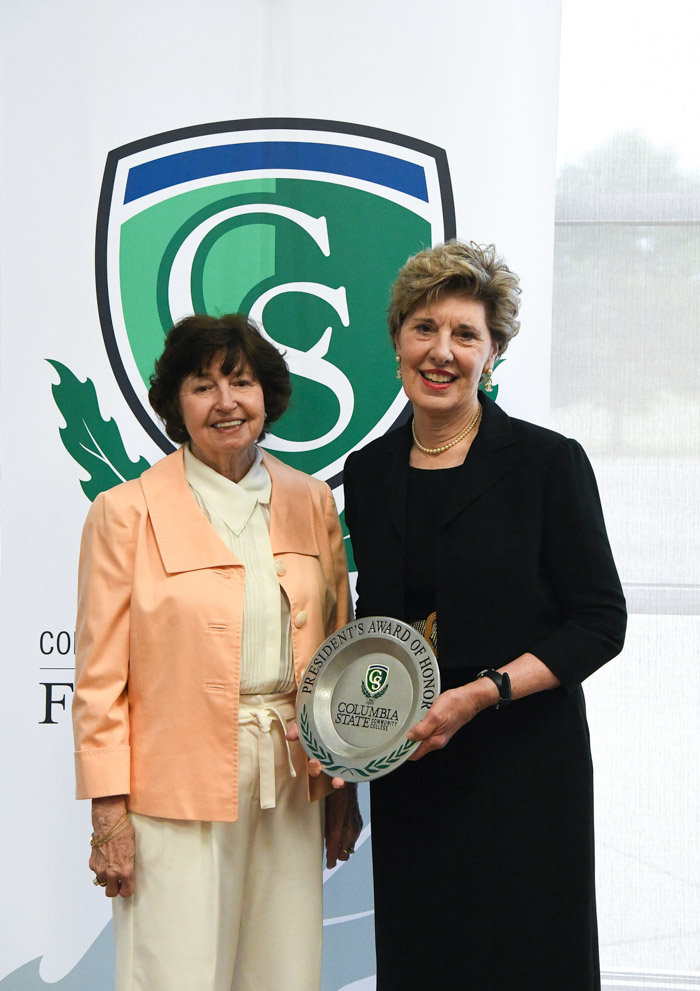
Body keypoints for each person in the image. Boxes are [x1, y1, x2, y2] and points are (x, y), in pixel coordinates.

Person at [342, 242, 626, 991]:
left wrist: (482, 692)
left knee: (529, 961)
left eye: (465, 334)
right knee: (424, 959)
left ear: (493, 352)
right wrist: (340, 742)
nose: (442, 351)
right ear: (396, 340)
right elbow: (378, 621)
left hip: (524, 762)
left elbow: (600, 619)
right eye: (424, 328)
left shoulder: (546, 462)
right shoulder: (369, 472)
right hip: (415, 766)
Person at [73, 313, 361, 991]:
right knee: (174, 971)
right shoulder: (125, 512)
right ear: (177, 404)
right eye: (202, 385)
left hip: (292, 779)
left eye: (242, 381)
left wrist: (341, 785)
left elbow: (338, 651)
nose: (226, 401)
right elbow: (99, 679)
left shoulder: (312, 500)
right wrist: (108, 811)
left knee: (283, 969)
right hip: (173, 789)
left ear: (268, 397)